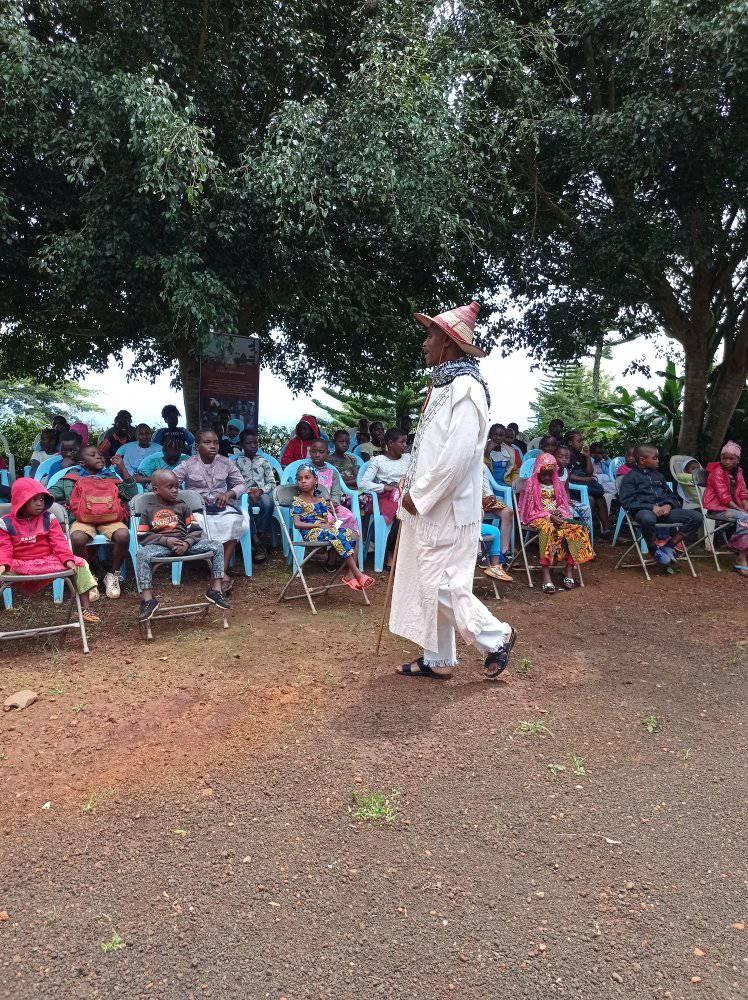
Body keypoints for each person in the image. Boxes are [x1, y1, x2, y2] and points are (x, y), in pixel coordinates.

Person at [390, 301, 516, 681]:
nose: (425, 342)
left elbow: (457, 457)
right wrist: (410, 484)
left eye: (430, 335)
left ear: (448, 342)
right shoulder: (444, 384)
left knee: (443, 585)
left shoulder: (465, 388)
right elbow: (432, 450)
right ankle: (438, 658)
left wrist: (420, 493)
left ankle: (496, 636)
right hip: (431, 505)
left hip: (447, 508)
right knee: (430, 581)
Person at [0, 478, 100, 623]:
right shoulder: (6, 523)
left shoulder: (48, 518)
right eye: (34, 499)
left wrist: (68, 559)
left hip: (46, 560)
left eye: (41, 499)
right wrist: (3, 563)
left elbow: (59, 542)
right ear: (21, 500)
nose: (40, 502)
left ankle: (85, 607)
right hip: (18, 563)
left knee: (80, 563)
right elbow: (4, 547)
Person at [135, 469, 230, 620]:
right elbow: (142, 536)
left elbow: (195, 530)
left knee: (216, 545)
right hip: (161, 547)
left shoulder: (182, 506)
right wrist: (166, 541)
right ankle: (148, 599)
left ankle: (216, 589)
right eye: (170, 487)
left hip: (185, 545)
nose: (175, 490)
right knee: (142, 554)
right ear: (156, 490)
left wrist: (187, 543)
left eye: (177, 486)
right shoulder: (149, 510)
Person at [48, 445, 137, 598]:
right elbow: (49, 495)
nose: (99, 457)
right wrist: (60, 507)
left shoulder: (110, 477)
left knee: (123, 535)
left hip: (109, 518)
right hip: (82, 519)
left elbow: (132, 494)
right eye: (93, 455)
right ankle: (87, 577)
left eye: (101, 454)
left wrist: (122, 469)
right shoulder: (70, 479)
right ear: (82, 462)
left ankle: (111, 575)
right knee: (77, 538)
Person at [173, 429, 249, 583]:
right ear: (197, 446)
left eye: (215, 442)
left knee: (236, 520)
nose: (212, 446)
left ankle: (220, 570)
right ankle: (211, 565)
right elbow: (171, 482)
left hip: (220, 507)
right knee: (197, 523)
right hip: (196, 509)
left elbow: (241, 484)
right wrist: (188, 497)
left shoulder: (226, 463)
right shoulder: (187, 465)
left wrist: (229, 494)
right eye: (207, 442)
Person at [518, 453, 594, 593]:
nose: (547, 478)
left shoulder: (557, 484)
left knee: (579, 528)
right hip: (538, 517)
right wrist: (549, 516)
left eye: (550, 474)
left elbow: (563, 504)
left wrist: (559, 511)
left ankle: (569, 569)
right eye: (544, 474)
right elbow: (528, 510)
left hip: (557, 517)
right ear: (538, 470)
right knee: (548, 529)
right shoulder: (530, 485)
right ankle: (546, 572)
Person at [291, 463, 372, 590]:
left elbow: (325, 522)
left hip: (325, 533)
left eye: (307, 478)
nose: (303, 481)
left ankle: (350, 575)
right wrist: (318, 525)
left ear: (315, 480)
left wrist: (329, 524)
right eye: (300, 479)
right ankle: (357, 574)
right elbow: (297, 524)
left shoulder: (321, 501)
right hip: (310, 534)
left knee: (352, 534)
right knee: (336, 534)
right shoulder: (297, 501)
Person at [618, 445, 702, 566]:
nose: (658, 461)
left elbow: (672, 496)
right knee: (647, 518)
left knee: (696, 517)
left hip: (664, 512)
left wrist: (668, 505)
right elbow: (627, 501)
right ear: (642, 460)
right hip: (643, 512)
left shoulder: (659, 476)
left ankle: (669, 546)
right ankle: (654, 551)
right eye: (655, 458)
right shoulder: (630, 478)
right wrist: (651, 507)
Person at [359, 427, 410, 570]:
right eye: (402, 442)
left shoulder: (408, 458)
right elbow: (363, 483)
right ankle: (390, 554)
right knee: (401, 512)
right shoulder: (378, 460)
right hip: (387, 497)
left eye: (405, 442)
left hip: (405, 493)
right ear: (390, 443)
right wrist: (385, 487)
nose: (404, 445)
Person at [703, 441, 748, 574]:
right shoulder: (717, 472)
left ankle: (742, 550)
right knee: (746, 518)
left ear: (738, 460)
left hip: (735, 508)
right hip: (718, 509)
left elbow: (743, 492)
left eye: (731, 459)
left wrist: (745, 505)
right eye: (724, 458)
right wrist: (741, 511)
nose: (727, 461)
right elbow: (724, 498)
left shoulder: (738, 472)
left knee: (745, 516)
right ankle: (741, 557)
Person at [235, 429, 277, 557]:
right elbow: (234, 483)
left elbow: (272, 482)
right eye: (249, 443)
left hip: (261, 493)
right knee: (244, 506)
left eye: (255, 443)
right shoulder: (236, 462)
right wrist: (247, 492)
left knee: (268, 502)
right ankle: (255, 541)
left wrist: (261, 491)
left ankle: (259, 534)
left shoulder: (263, 461)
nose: (253, 446)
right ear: (242, 445)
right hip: (244, 494)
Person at [307, 439, 359, 538]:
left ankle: (347, 544)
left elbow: (336, 492)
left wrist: (334, 503)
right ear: (310, 452)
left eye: (321, 452)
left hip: (331, 505)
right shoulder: (305, 470)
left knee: (349, 516)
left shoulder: (332, 472)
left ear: (327, 453)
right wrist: (322, 504)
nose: (317, 455)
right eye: (314, 451)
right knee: (329, 519)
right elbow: (304, 491)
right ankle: (329, 545)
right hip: (312, 506)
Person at [565, 430, 611, 536]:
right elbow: (567, 475)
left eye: (582, 441)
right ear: (570, 442)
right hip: (572, 487)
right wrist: (585, 480)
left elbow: (589, 472)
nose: (582, 444)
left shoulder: (581, 456)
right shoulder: (566, 455)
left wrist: (587, 457)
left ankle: (606, 530)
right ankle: (585, 532)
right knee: (590, 498)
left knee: (600, 498)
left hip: (584, 486)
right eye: (579, 441)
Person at [481, 467, 514, 581]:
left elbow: (486, 484)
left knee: (508, 512)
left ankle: (503, 552)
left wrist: (489, 496)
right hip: (470, 499)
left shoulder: (482, 464)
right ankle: (480, 554)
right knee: (479, 514)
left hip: (485, 497)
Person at [555, 445, 593, 531]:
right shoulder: (552, 472)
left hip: (564, 500)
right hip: (554, 501)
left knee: (585, 508)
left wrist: (567, 499)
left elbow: (566, 489)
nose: (564, 459)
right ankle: (567, 533)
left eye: (567, 457)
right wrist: (563, 501)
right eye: (560, 457)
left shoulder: (566, 472)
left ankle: (584, 531)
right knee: (569, 511)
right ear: (554, 457)